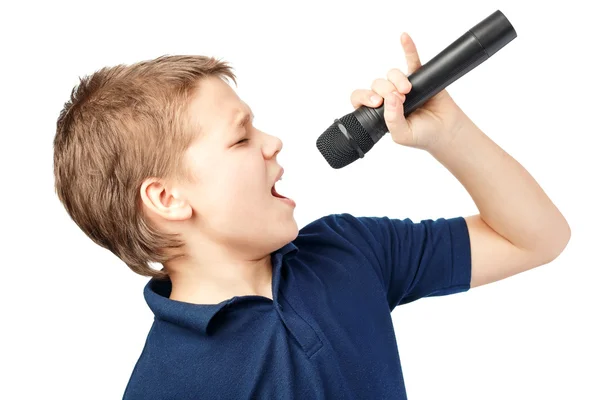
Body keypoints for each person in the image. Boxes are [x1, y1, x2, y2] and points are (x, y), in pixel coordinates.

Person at [53, 32, 570, 399]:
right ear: (168, 199)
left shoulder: (348, 250)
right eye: (241, 137)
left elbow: (537, 238)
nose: (273, 142)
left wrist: (450, 134)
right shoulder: (167, 386)